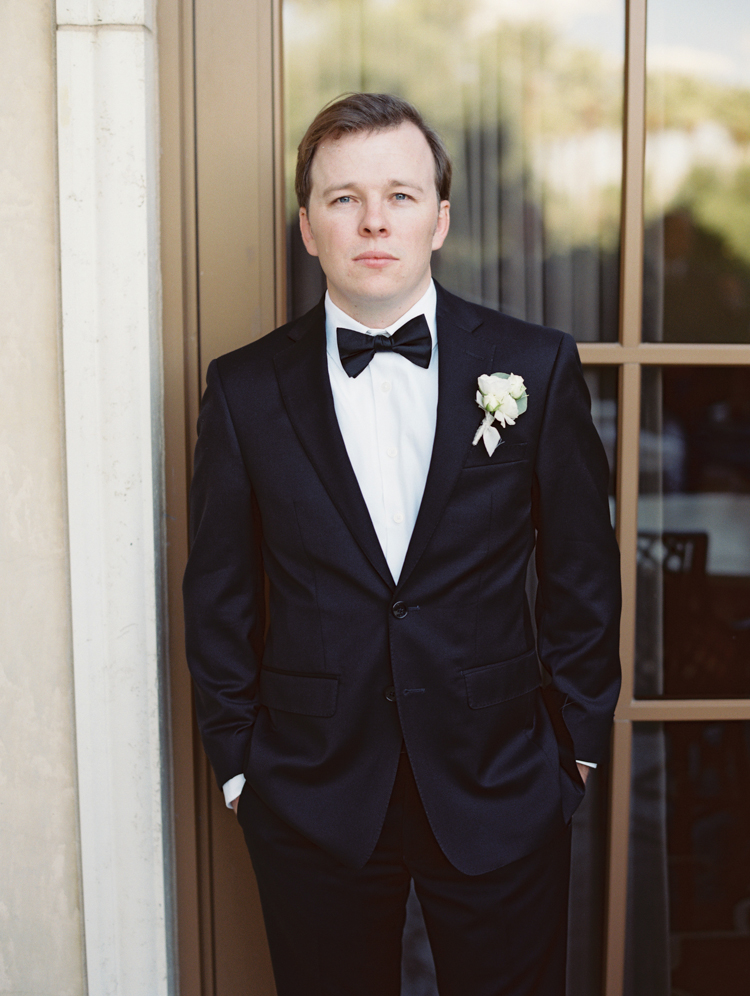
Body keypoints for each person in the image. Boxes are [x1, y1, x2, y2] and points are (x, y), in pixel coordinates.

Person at [183, 92, 621, 996]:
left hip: (502, 778)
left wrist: (571, 749)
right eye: (343, 198)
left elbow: (583, 571)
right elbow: (217, 593)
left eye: (400, 195)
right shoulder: (243, 389)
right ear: (308, 228)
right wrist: (239, 767)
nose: (373, 220)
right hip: (311, 792)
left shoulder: (534, 366)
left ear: (440, 220)